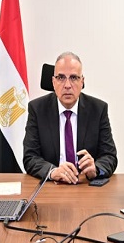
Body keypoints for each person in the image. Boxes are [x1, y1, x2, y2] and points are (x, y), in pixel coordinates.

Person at [23, 52, 117, 183]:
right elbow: (30, 157)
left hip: (85, 187)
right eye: (61, 78)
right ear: (53, 82)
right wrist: (52, 172)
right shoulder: (37, 109)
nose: (67, 85)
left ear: (82, 81)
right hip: (52, 187)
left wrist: (96, 168)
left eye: (73, 78)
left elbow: (109, 156)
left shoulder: (98, 109)